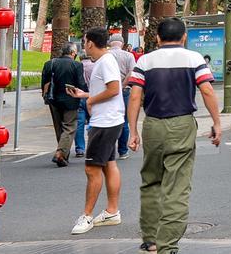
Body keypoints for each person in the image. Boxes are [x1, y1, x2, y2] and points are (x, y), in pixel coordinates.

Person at [129, 17, 222, 254]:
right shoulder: (194, 58)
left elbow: (135, 96)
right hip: (181, 125)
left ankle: (150, 239)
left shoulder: (145, 61)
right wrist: (216, 122)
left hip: (152, 125)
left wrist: (132, 130)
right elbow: (207, 90)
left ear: (158, 38)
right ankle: (167, 246)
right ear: (184, 37)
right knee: (177, 187)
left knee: (151, 182)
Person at [66, 27, 126, 235]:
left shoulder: (106, 61)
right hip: (109, 119)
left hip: (105, 122)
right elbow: (106, 89)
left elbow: (114, 89)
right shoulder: (104, 61)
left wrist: (91, 99)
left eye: (84, 41)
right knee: (109, 165)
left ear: (91, 42)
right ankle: (111, 211)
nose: (83, 46)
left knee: (92, 169)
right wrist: (84, 94)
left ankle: (88, 215)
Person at [40, 42, 87, 167]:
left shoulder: (50, 63)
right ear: (72, 53)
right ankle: (60, 153)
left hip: (53, 99)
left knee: (58, 127)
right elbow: (81, 83)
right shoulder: (77, 65)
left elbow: (44, 82)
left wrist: (44, 95)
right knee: (69, 127)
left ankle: (62, 154)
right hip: (71, 99)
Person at [107, 34, 136, 160]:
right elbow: (132, 72)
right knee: (124, 121)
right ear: (122, 43)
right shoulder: (129, 55)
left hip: (108, 91)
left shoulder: (106, 55)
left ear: (110, 43)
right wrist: (123, 85)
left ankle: (109, 150)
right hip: (124, 90)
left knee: (109, 119)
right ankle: (123, 151)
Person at [73, 52, 94, 157]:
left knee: (79, 124)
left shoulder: (76, 66)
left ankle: (80, 148)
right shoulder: (95, 66)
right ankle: (93, 146)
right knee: (94, 122)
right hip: (92, 96)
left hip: (79, 96)